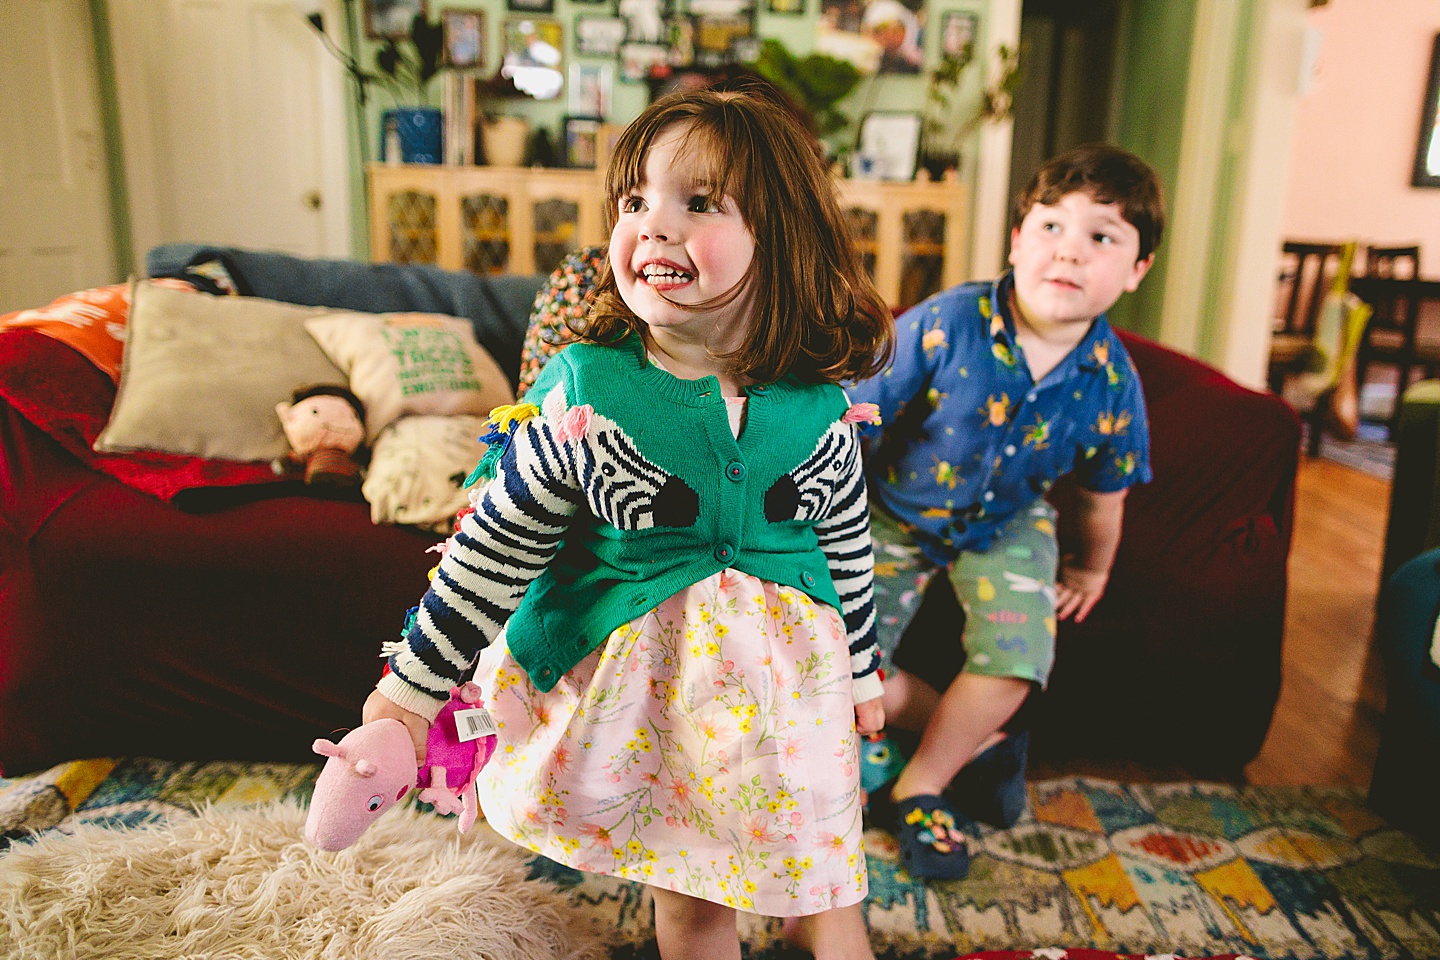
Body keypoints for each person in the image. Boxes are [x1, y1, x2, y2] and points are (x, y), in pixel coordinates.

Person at [361, 88, 896, 960]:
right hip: (655, 704)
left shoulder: (819, 407)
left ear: (782, 235)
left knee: (805, 865)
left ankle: (822, 931)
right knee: (693, 904)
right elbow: (489, 554)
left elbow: (845, 551)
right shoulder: (588, 396)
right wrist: (403, 701)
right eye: (635, 200)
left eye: (698, 203)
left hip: (787, 703)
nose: (652, 225)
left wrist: (867, 673)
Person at [846, 143, 1163, 881]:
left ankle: (923, 785)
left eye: (1102, 238)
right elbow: (860, 414)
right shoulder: (948, 321)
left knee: (1019, 656)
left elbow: (1101, 495)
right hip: (896, 510)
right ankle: (976, 751)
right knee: (846, 658)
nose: (1070, 254)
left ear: (1138, 269)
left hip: (1011, 523)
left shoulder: (1114, 383)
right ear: (1017, 239)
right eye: (1051, 227)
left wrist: (1093, 566)